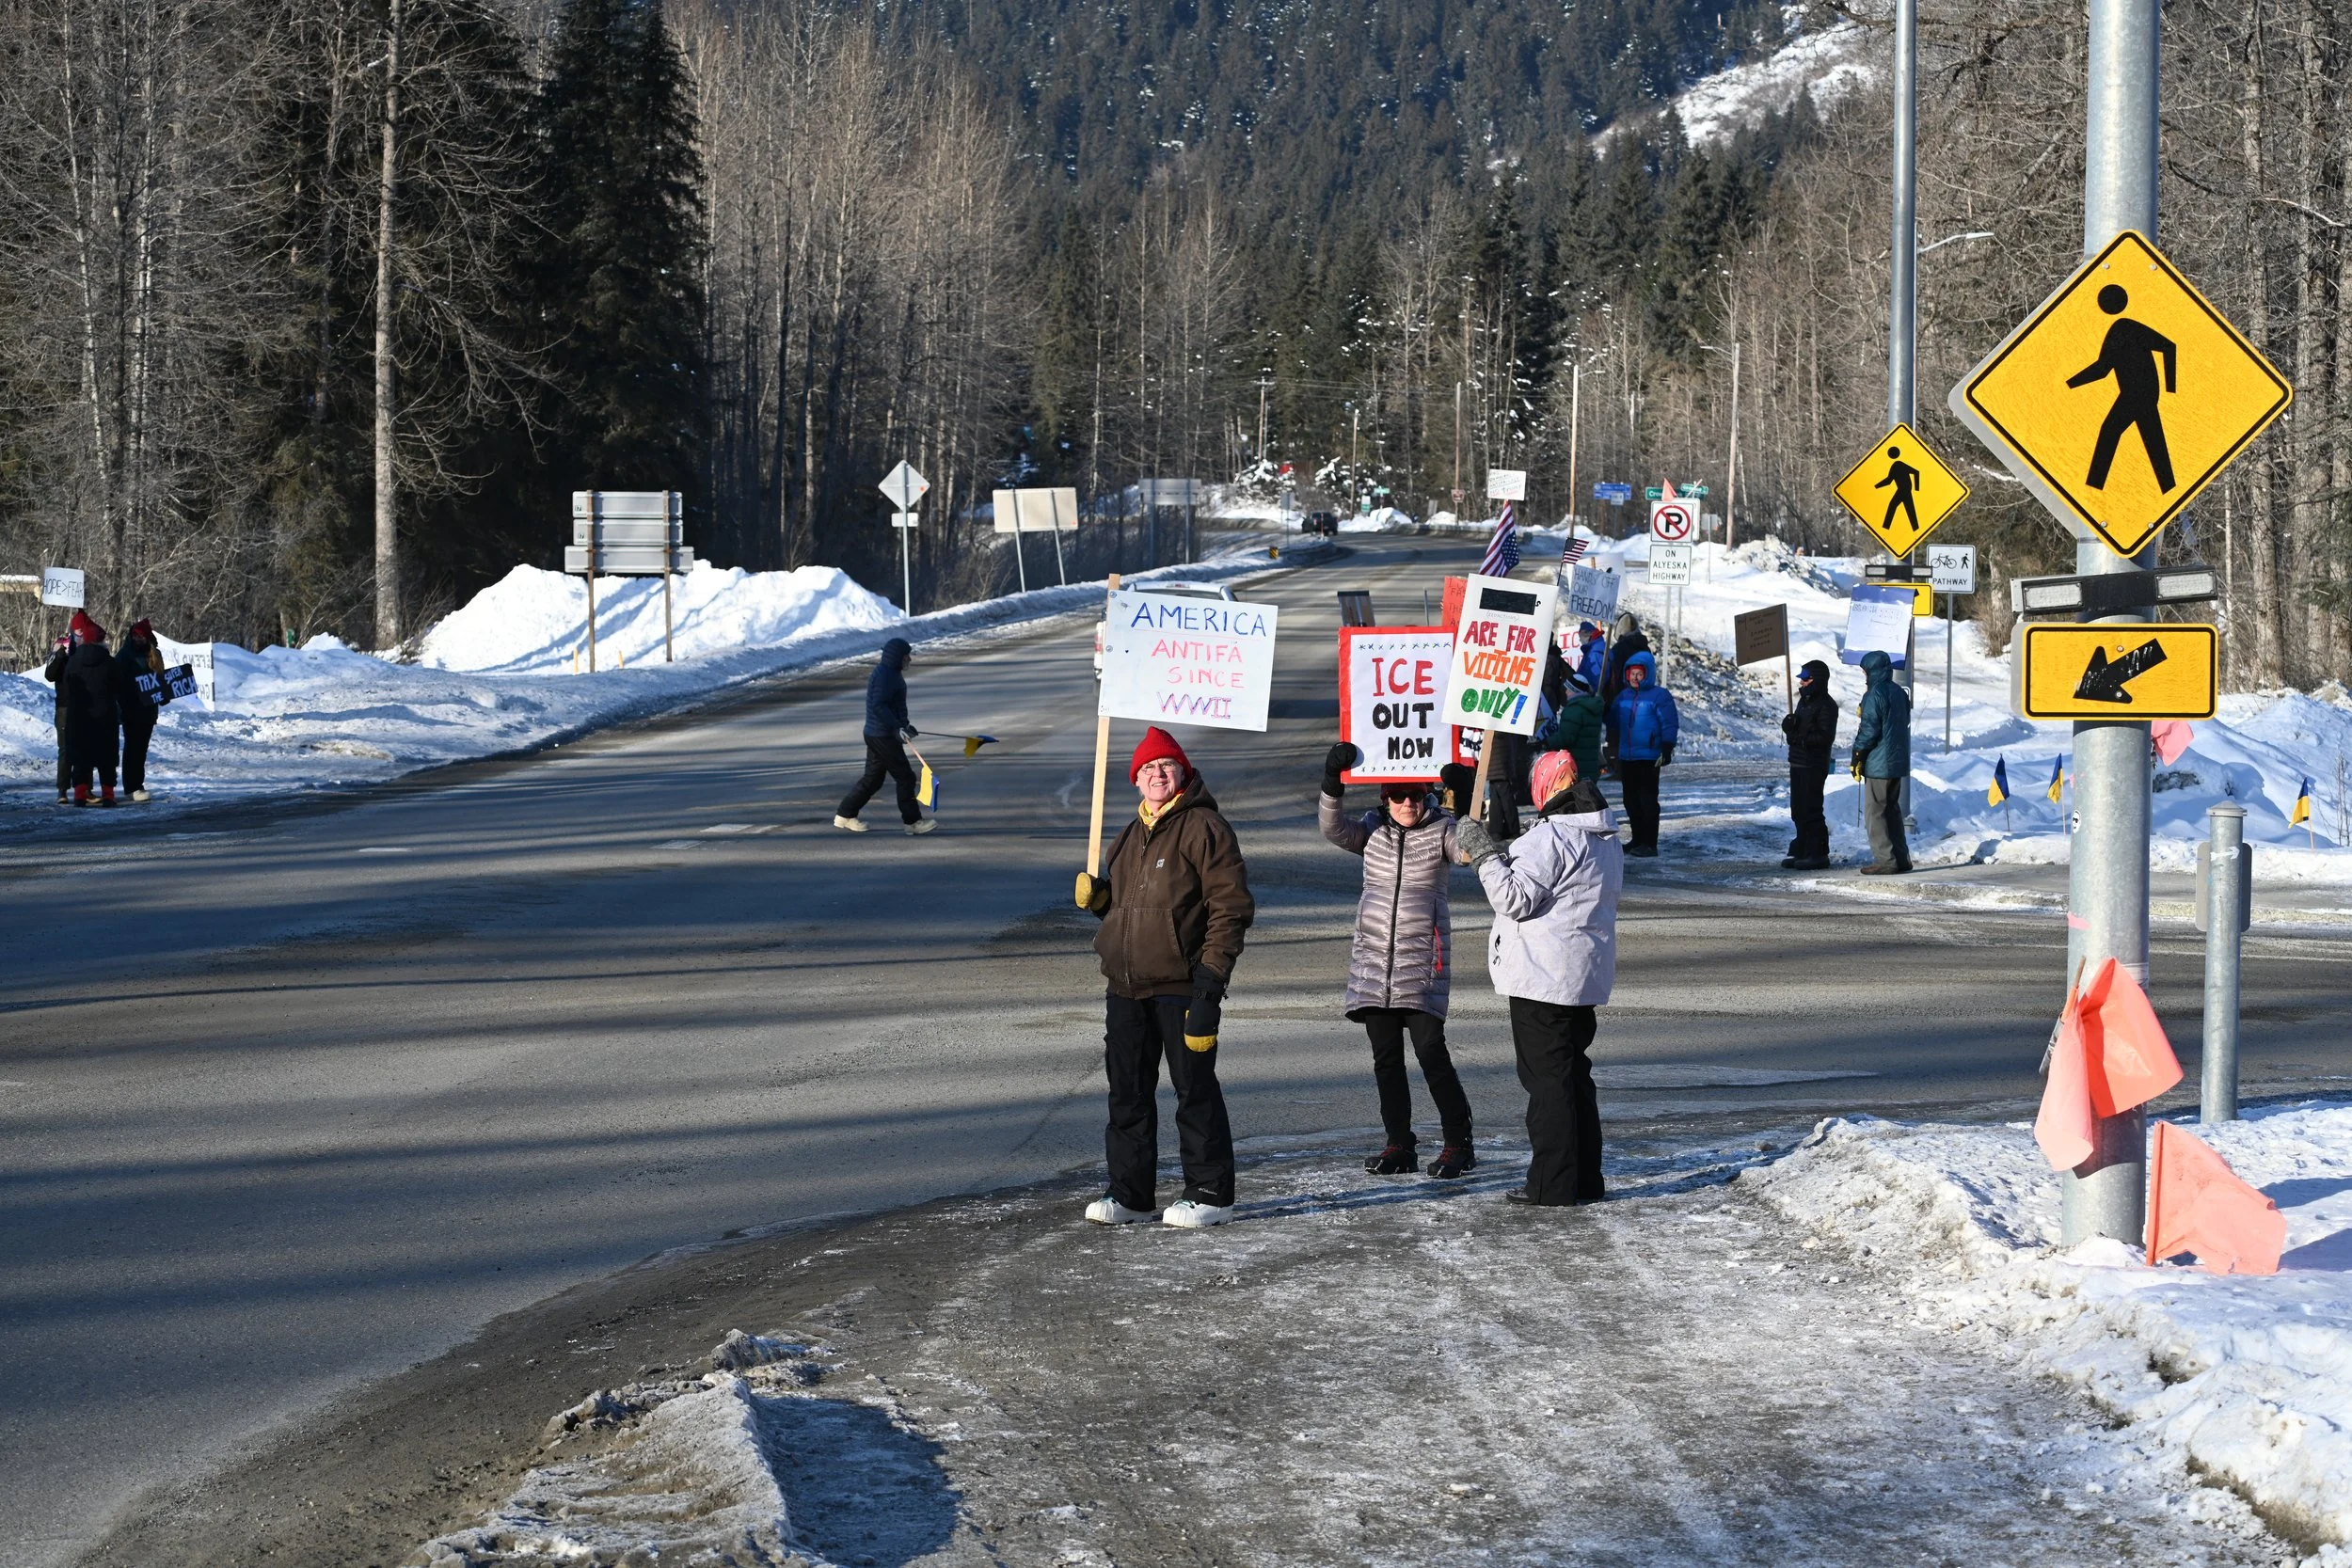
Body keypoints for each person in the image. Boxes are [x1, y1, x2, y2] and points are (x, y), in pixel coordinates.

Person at [1074, 727, 1255, 1227]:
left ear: (1184, 774)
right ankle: (1131, 1194)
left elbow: (1230, 910)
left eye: (1166, 767)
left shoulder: (1204, 828)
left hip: (1183, 986)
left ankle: (1211, 1193)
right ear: (1136, 780)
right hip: (1126, 987)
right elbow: (1134, 911)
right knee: (1127, 1094)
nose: (1157, 774)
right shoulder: (1130, 834)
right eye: (1148, 768)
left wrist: (1210, 985)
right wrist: (1102, 901)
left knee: (1194, 1089)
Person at [1456, 750, 1624, 1206]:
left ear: (1545, 787)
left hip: (1543, 977)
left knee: (1548, 1084)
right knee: (1573, 1078)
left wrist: (1484, 856)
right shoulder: (1602, 833)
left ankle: (1553, 1184)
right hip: (1580, 975)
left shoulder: (1553, 836)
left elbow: (1512, 898)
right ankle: (1584, 1178)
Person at [1317, 743, 1474, 1180]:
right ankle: (1399, 1143)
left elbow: (1470, 851)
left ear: (1427, 795)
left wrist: (1462, 801)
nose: (1408, 802)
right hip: (1373, 965)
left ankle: (1459, 1143)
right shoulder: (1371, 831)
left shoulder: (1442, 830)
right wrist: (1332, 780)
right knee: (1385, 1058)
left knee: (1430, 1052)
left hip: (1422, 961)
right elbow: (1332, 827)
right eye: (1399, 794)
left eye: (1417, 794)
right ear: (1385, 797)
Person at [834, 637, 933, 835]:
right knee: (905, 777)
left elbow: (895, 706)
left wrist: (905, 726)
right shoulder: (885, 676)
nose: (910, 660)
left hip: (878, 733)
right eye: (907, 656)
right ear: (898, 657)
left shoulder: (891, 673)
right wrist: (897, 728)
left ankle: (845, 815)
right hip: (881, 735)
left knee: (873, 779)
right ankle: (913, 822)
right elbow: (879, 706)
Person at [1603, 651, 1677, 857]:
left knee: (1647, 800)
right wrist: (1605, 709)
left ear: (1648, 674)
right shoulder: (1623, 697)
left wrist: (1667, 746)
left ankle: (1649, 843)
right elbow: (1613, 723)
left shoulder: (1659, 696)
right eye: (1631, 674)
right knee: (1630, 799)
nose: (1634, 678)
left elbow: (1669, 723)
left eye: (1639, 674)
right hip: (1628, 756)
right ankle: (1637, 839)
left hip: (1649, 756)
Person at [54, 610, 126, 807]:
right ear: (101, 641)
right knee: (106, 757)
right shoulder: (110, 663)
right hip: (105, 716)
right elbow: (120, 687)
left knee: (81, 755)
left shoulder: (74, 662)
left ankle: (79, 794)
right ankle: (108, 794)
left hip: (79, 715)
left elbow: (67, 685)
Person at [1851, 649, 1913, 874]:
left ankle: (1885, 861)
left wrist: (1858, 754)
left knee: (1875, 812)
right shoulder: (1899, 692)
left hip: (1879, 763)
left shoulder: (1874, 695)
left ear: (1872, 671)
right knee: (1892, 811)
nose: (1864, 675)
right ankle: (1900, 858)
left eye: (1865, 671)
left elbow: (1869, 730)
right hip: (1897, 761)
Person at [1781, 659, 1837, 870]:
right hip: (1797, 762)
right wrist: (1790, 727)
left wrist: (1801, 738)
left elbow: (1825, 737)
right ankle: (1802, 850)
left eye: (1807, 678)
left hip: (1813, 765)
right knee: (1798, 810)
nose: (1802, 682)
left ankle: (1818, 853)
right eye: (1802, 678)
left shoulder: (1827, 705)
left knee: (1811, 809)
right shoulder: (1804, 702)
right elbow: (1796, 732)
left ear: (1818, 680)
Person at [114, 619, 171, 802]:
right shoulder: (124, 655)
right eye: (135, 636)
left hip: (148, 711)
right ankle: (132, 787)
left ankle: (138, 784)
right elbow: (117, 682)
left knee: (141, 749)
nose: (137, 639)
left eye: (141, 636)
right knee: (132, 748)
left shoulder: (155, 654)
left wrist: (164, 695)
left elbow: (161, 680)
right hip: (131, 710)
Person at [1533, 664, 1606, 789]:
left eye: (1568, 689)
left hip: (1576, 765)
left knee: (1577, 802)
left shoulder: (1574, 710)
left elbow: (1566, 737)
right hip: (1590, 765)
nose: (1566, 692)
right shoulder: (1592, 708)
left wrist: (1547, 742)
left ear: (1575, 691)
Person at [43, 630, 72, 805]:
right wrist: (59, 654)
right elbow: (49, 675)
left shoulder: (82, 653)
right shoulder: (59, 656)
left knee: (83, 748)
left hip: (82, 707)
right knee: (65, 749)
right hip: (64, 707)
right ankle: (62, 788)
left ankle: (84, 787)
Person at [1600, 612, 1650, 703]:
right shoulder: (1646, 648)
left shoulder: (1620, 648)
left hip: (1622, 698)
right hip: (1643, 698)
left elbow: (1613, 675)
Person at [1573, 621, 1607, 698]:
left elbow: (1595, 681)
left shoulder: (1595, 652)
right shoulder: (1599, 648)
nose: (1580, 640)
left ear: (1589, 634)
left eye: (1581, 636)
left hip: (1590, 699)